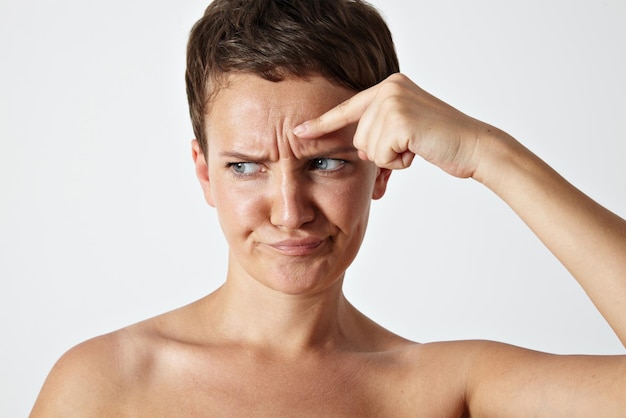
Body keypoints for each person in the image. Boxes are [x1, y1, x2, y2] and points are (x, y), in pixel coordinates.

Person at [30, 0, 626, 416]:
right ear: (203, 172)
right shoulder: (105, 383)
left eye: (325, 163)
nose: (290, 212)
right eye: (245, 166)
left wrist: (487, 152)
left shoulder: (444, 388)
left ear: (382, 169)